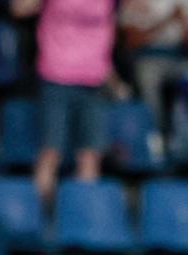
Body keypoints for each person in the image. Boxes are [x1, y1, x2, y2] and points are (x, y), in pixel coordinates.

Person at [13, 0, 115, 202]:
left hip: (94, 79)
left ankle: (83, 218)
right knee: (51, 153)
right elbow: (18, 8)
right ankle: (38, 216)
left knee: (90, 156)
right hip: (55, 75)